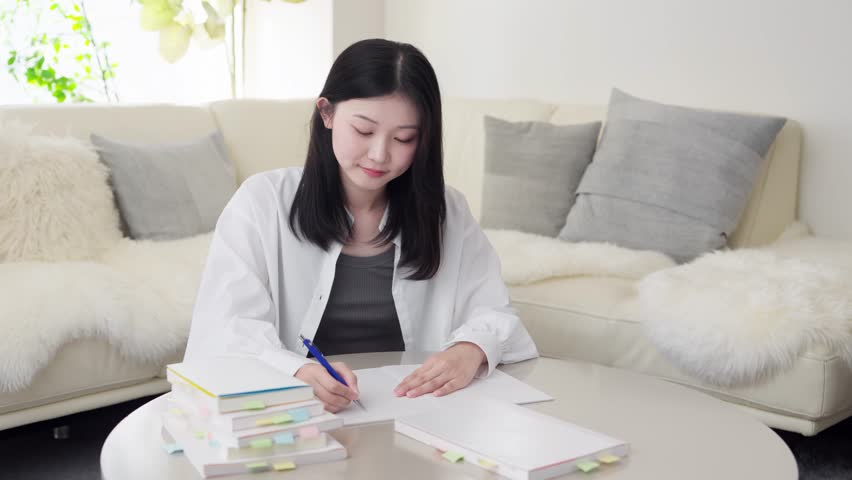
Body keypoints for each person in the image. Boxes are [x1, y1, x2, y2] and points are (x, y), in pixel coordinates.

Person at [184, 39, 538, 413]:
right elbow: (225, 329)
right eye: (364, 131)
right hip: (294, 416)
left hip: (418, 413)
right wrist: (296, 371)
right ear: (327, 113)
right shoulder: (261, 202)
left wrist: (472, 349)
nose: (380, 154)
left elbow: (495, 312)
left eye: (404, 138)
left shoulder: (446, 211)